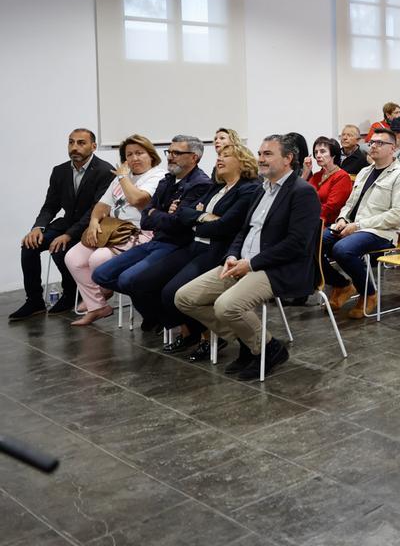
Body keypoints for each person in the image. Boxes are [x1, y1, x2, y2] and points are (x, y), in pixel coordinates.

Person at [175, 135, 321, 380]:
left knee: (227, 305)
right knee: (185, 298)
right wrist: (232, 255)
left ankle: (267, 349)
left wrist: (251, 263)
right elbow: (245, 230)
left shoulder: (302, 192)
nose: (261, 159)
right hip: (242, 263)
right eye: (260, 153)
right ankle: (253, 342)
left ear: (288, 159)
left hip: (279, 268)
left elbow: (296, 244)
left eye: (268, 154)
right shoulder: (261, 189)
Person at [92, 136, 213, 331]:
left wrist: (157, 213)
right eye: (169, 152)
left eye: (177, 153)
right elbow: (146, 220)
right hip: (155, 240)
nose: (171, 157)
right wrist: (162, 213)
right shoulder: (168, 180)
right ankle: (158, 314)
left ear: (194, 157)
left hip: (177, 245)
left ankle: (165, 318)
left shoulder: (200, 184)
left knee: (128, 279)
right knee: (101, 274)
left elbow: (177, 224)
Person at [152, 142, 259, 354]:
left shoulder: (248, 189)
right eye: (219, 155)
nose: (218, 159)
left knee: (172, 293)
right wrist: (203, 217)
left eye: (226, 155)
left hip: (218, 252)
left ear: (242, 162)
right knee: (154, 284)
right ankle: (198, 333)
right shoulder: (217, 187)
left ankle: (211, 336)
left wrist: (198, 222)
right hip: (195, 246)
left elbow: (225, 226)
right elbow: (184, 212)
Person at [12, 128, 114, 320]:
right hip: (66, 223)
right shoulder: (59, 171)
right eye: (71, 142)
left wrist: (69, 235)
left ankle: (70, 294)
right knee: (29, 245)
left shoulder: (104, 171)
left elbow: (95, 210)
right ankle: (34, 301)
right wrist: (38, 228)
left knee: (61, 248)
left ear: (93, 146)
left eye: (81, 143)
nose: (74, 147)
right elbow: (50, 205)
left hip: (91, 226)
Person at [63, 136, 166, 325]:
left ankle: (103, 289)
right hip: (114, 230)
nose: (134, 158)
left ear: (151, 156)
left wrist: (122, 178)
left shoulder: (157, 176)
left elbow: (138, 200)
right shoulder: (121, 177)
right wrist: (94, 223)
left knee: (98, 259)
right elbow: (102, 205)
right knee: (73, 258)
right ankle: (98, 306)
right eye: (129, 155)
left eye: (139, 153)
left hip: (141, 233)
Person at [322, 128, 400, 318]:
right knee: (313, 244)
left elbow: (397, 215)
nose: (373, 146)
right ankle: (342, 285)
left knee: (342, 249)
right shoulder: (364, 171)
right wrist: (342, 219)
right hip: (355, 226)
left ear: (393, 148)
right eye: (372, 142)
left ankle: (369, 293)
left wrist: (357, 226)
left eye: (380, 143)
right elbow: (350, 203)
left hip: (381, 232)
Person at [305, 136, 352, 227]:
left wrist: (306, 215)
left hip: (328, 223)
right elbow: (303, 197)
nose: (318, 155)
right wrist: (306, 172)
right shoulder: (317, 175)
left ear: (333, 154)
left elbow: (331, 208)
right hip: (312, 218)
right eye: (316, 152)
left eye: (322, 151)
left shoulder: (342, 177)